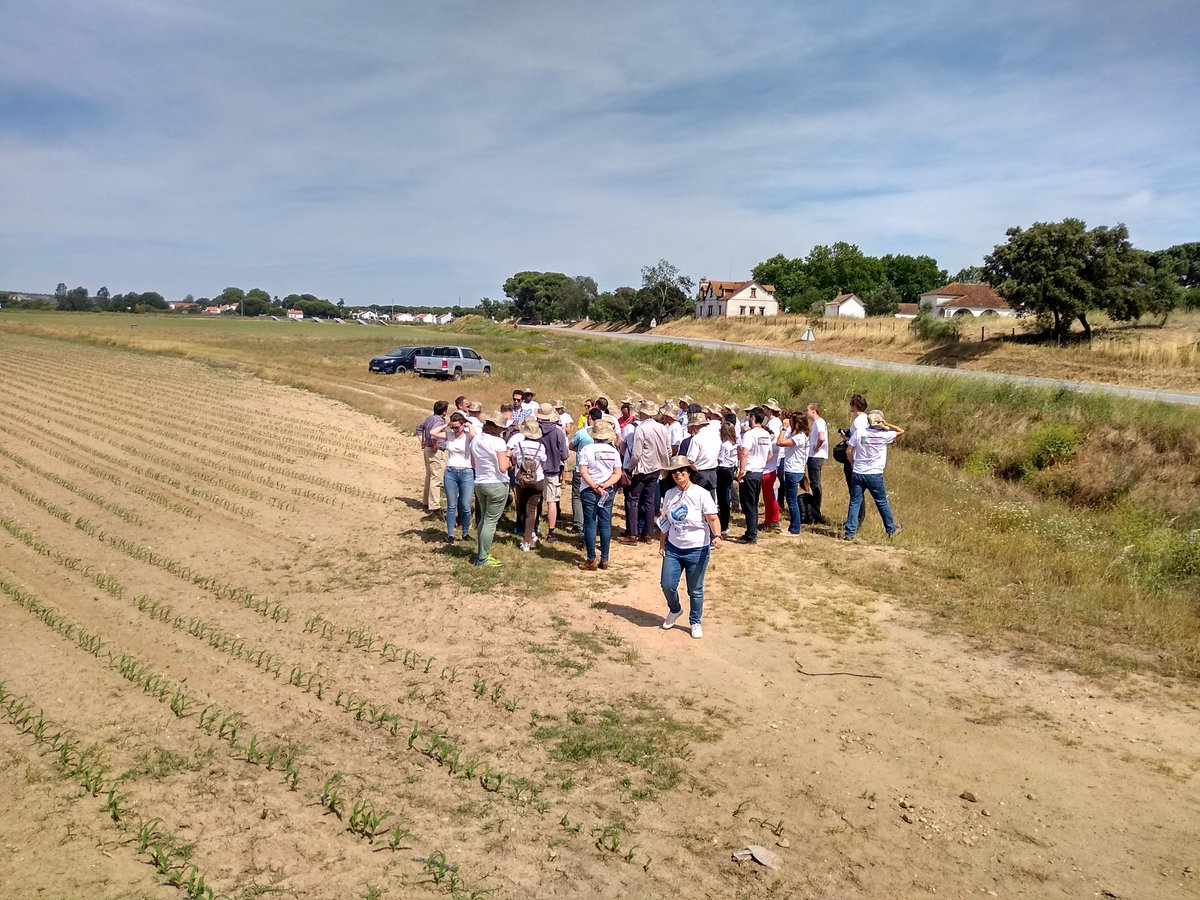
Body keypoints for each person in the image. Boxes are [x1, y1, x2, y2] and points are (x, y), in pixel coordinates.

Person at [658, 455, 722, 639]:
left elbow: (712, 517)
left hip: (697, 549)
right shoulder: (669, 494)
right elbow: (666, 521)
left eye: (682, 471)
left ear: (689, 473)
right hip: (674, 548)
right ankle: (675, 609)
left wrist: (717, 536)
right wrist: (662, 544)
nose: (678, 474)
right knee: (667, 584)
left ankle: (695, 622)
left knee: (695, 589)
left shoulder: (702, 494)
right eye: (674, 471)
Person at [845, 410, 905, 541]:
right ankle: (891, 529)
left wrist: (853, 463)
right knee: (882, 502)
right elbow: (901, 431)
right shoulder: (884, 436)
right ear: (879, 422)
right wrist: (886, 423)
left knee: (855, 502)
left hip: (859, 471)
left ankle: (850, 532)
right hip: (875, 474)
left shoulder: (859, 433)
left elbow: (849, 450)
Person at [620, 399, 671, 545]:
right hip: (656, 467)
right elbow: (667, 449)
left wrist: (630, 468)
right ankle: (647, 534)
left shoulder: (641, 429)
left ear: (642, 413)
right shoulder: (662, 428)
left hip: (642, 468)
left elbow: (636, 453)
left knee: (632, 500)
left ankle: (632, 534)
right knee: (649, 501)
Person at [577, 418, 623, 571]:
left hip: (589, 489)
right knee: (605, 524)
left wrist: (594, 485)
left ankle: (591, 559)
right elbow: (617, 473)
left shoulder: (587, 450)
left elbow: (583, 471)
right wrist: (606, 485)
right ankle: (605, 558)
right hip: (607, 490)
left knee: (590, 524)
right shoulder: (614, 452)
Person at [471, 412, 512, 567]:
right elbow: (503, 468)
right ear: (498, 428)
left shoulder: (476, 439)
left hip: (480, 481)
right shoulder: (498, 442)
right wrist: (508, 457)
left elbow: (473, 464)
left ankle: (481, 553)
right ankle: (483, 557)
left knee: (484, 519)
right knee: (491, 521)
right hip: (496, 483)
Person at [429, 411, 475, 543]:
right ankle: (450, 533)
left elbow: (474, 435)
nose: (454, 430)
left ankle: (465, 533)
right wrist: (446, 424)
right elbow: (433, 433)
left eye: (457, 427)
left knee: (466, 506)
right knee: (451, 506)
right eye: (453, 427)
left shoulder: (467, 436)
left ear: (463, 425)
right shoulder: (449, 435)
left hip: (466, 472)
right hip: (451, 472)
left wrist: (468, 425)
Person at [510, 417, 548, 551]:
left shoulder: (518, 445)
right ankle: (529, 538)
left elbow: (514, 460)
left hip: (521, 481)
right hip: (537, 480)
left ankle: (527, 538)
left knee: (521, 508)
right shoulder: (541, 447)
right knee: (531, 510)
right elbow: (543, 462)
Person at [735, 407, 772, 544]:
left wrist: (741, 471)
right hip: (759, 472)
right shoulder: (766, 434)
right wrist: (760, 463)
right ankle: (752, 530)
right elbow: (770, 454)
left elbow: (744, 453)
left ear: (752, 418)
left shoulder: (750, 434)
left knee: (748, 504)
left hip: (749, 472)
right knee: (753, 503)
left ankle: (751, 534)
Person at [535, 402, 569, 543]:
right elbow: (565, 455)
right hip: (553, 470)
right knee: (552, 502)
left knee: (534, 502)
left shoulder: (534, 430)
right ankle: (551, 532)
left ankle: (532, 528)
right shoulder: (558, 432)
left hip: (536, 471)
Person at [569, 408, 600, 533]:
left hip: (580, 468)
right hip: (596, 471)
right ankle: (594, 523)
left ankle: (578, 524)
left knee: (577, 496)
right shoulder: (603, 435)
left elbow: (571, 446)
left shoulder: (582, 433)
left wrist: (580, 450)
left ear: (590, 418)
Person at [778, 412, 809, 535]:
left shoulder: (799, 437)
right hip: (794, 470)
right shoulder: (799, 435)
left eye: (791, 421)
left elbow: (780, 442)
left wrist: (784, 429)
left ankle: (795, 528)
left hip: (793, 471)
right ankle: (793, 526)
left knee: (792, 501)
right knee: (791, 500)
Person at [842, 393, 870, 530]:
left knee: (855, 491)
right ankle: (856, 519)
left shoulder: (858, 421)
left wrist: (847, 439)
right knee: (857, 491)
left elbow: (858, 439)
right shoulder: (866, 419)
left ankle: (856, 520)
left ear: (854, 406)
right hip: (861, 456)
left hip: (854, 457)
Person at [416, 400, 448, 513]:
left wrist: (422, 441)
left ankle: (426, 501)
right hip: (436, 450)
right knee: (436, 478)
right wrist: (435, 445)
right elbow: (433, 435)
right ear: (444, 412)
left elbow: (419, 428)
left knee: (429, 476)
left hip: (427, 449)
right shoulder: (439, 420)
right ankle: (434, 506)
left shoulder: (430, 418)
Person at [761, 399, 783, 532]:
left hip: (770, 462)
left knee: (769, 495)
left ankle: (773, 519)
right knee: (768, 495)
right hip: (770, 462)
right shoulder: (774, 422)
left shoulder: (774, 423)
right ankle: (769, 519)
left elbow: (772, 441)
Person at [684, 411, 719, 497]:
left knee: (697, 498)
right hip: (713, 471)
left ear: (695, 426)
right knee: (711, 498)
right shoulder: (715, 436)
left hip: (699, 472)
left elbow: (691, 460)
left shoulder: (696, 439)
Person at [806, 402, 828, 523]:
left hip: (816, 457)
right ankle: (814, 510)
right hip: (814, 456)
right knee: (814, 483)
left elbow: (821, 437)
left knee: (815, 484)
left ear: (813, 411)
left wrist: (816, 447)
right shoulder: (817, 422)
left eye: (807, 410)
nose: (806, 412)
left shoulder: (819, 422)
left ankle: (816, 511)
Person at [715, 420, 738, 539]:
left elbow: (720, 458)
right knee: (726, 498)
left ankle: (723, 525)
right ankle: (725, 523)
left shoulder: (724, 445)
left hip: (723, 470)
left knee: (722, 498)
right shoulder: (734, 444)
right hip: (730, 469)